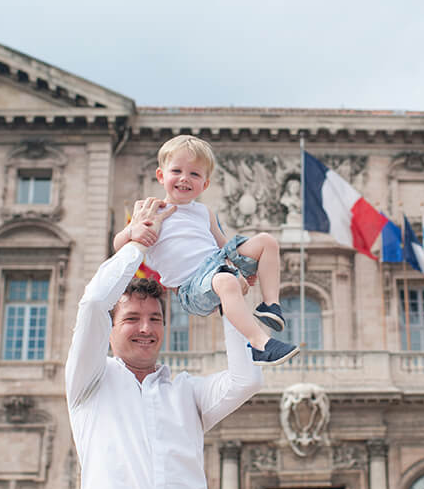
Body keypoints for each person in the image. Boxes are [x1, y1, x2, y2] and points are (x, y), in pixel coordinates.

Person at [66, 197, 263, 489]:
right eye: (132, 318)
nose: (145, 328)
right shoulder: (88, 381)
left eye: (155, 318)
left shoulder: (185, 392)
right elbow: (93, 303)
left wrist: (230, 295)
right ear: (110, 329)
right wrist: (139, 242)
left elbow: (247, 380)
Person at [112, 134, 298, 366]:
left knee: (267, 241)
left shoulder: (204, 212)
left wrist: (241, 265)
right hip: (191, 285)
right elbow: (118, 245)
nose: (184, 179)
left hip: (217, 264)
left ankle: (270, 305)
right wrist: (134, 232)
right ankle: (259, 343)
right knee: (226, 282)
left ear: (205, 184)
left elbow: (222, 244)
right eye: (176, 171)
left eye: (194, 174)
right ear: (161, 176)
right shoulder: (152, 211)